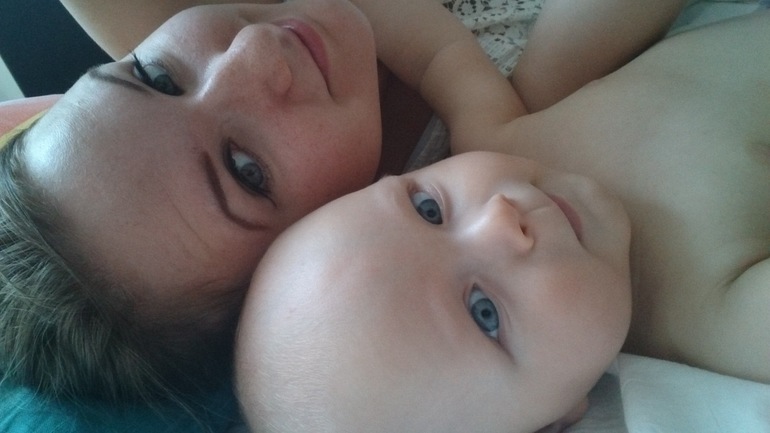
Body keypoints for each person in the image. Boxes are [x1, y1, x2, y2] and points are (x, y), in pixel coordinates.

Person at [0, 0, 683, 405]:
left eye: (153, 75)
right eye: (246, 171)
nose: (251, 47)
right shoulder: (525, 194)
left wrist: (463, 85)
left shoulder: (246, 32)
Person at [235, 6, 770, 433]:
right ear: (552, 421)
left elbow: (427, 45)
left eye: (428, 209)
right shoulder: (713, 319)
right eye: (484, 312)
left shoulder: (502, 134)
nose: (498, 219)